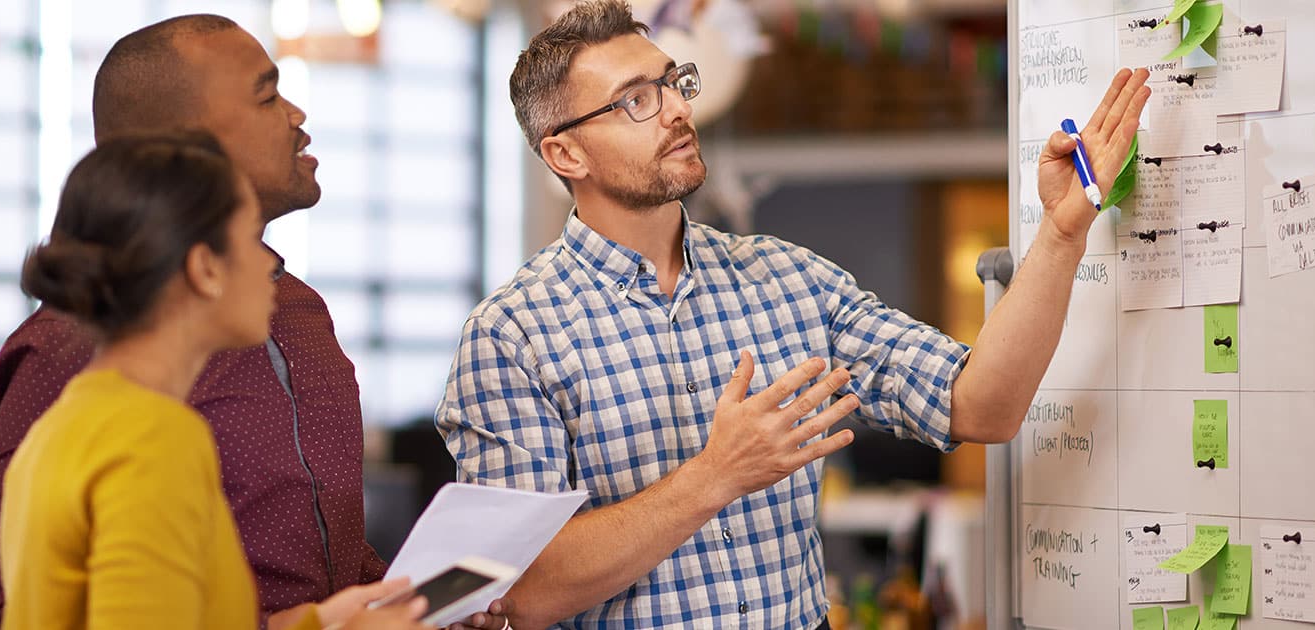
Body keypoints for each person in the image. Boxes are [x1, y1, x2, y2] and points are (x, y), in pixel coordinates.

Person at [435, 1, 1150, 628]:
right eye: (635, 101)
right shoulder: (512, 336)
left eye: (672, 83)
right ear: (565, 152)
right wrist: (716, 475)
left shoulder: (786, 277)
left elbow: (983, 406)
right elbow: (519, 593)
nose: (680, 109)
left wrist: (1062, 232)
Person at [0, 15, 512, 630]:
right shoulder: (114, 399)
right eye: (267, 95)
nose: (296, 114)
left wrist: (389, 608)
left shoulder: (300, 314)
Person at [0, 130, 432, 629]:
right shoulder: (152, 436)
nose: (270, 264)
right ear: (205, 268)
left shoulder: (68, 422)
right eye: (250, 237)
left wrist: (316, 623)